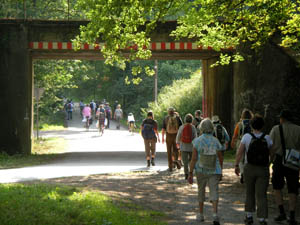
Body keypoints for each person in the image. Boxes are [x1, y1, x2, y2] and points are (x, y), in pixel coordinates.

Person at [235, 114, 273, 225]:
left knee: (249, 192)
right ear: (262, 126)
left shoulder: (246, 137)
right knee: (261, 194)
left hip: (249, 167)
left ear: (251, 125)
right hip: (263, 168)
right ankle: (262, 219)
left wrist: (237, 165)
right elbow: (272, 152)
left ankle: (249, 216)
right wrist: (269, 163)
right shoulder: (267, 138)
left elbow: (240, 152)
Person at [188, 118, 223, 225]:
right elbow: (220, 157)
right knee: (214, 191)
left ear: (201, 128)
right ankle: (215, 214)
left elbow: (194, 158)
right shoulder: (216, 141)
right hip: (214, 169)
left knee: (201, 190)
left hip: (201, 169)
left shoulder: (197, 141)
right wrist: (221, 170)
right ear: (212, 128)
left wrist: (190, 172)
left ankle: (201, 214)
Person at [269, 109, 300, 225]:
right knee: (293, 188)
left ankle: (281, 212)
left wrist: (270, 161)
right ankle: (292, 215)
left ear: (282, 119)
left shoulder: (276, 129)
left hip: (279, 160)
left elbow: (271, 147)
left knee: (277, 186)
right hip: (294, 161)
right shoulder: (298, 129)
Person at [231, 108, 253, 183]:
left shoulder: (239, 124)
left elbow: (235, 135)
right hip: (250, 141)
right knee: (248, 157)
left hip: (240, 141)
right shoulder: (252, 123)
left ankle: (243, 172)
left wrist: (233, 142)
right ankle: (248, 173)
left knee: (240, 158)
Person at [176, 113, 198, 179]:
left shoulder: (182, 127)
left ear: (185, 120)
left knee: (185, 162)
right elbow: (195, 137)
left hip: (183, 146)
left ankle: (186, 174)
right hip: (191, 147)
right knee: (191, 160)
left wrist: (177, 143)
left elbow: (178, 136)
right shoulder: (193, 127)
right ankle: (191, 173)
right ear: (191, 120)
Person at [161, 107, 183, 172]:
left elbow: (163, 129)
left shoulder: (166, 118)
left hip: (168, 136)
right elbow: (181, 127)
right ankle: (176, 162)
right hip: (176, 135)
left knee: (169, 151)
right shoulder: (178, 118)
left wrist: (162, 137)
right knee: (176, 150)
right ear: (174, 111)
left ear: (168, 112)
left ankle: (170, 166)